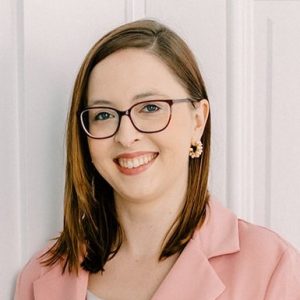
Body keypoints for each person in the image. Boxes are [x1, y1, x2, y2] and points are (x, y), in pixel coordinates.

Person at [14, 19, 300, 300]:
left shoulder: (270, 267)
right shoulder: (42, 276)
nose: (126, 136)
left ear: (198, 120)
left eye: (150, 107)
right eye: (103, 114)